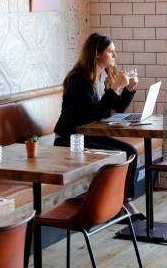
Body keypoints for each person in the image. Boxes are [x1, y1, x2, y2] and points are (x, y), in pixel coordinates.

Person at [54, 33, 141, 215]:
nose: (115, 56)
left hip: (90, 135)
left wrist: (129, 88)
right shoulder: (77, 79)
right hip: (70, 139)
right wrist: (114, 88)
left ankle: (122, 202)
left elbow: (118, 108)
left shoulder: (102, 76)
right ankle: (120, 204)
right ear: (96, 54)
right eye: (111, 52)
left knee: (129, 153)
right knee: (128, 152)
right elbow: (93, 115)